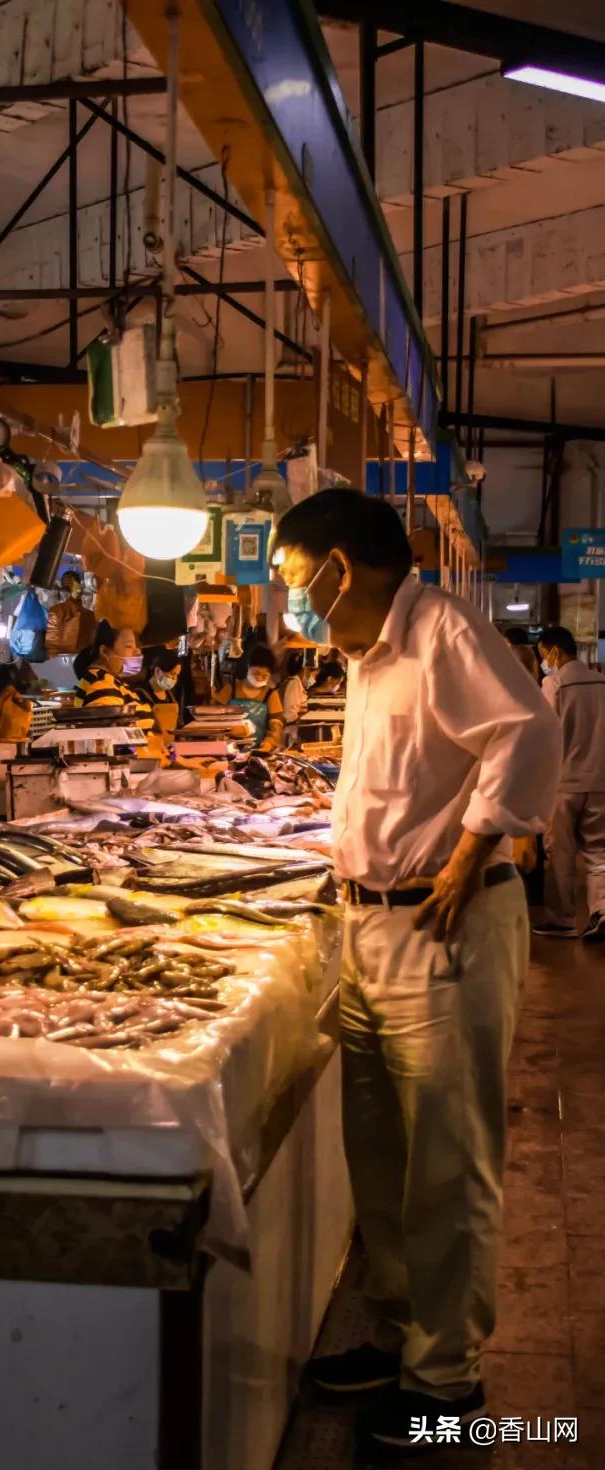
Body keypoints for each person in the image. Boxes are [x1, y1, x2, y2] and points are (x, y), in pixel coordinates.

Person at [270, 489, 561, 1453]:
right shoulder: (365, 658)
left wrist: (468, 857)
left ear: (339, 568)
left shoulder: (439, 628)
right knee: (381, 1156)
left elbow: (526, 733)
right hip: (367, 928)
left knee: (446, 1162)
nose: (290, 597)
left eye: (290, 575)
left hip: (443, 930)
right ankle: (399, 1336)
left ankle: (447, 1387)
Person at [533, 624, 605, 941]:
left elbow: (544, 735)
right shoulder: (603, 682)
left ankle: (562, 919)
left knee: (559, 852)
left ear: (556, 652)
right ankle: (602, 911)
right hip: (601, 779)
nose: (543, 662)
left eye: (543, 655)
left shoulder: (554, 685)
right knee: (600, 852)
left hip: (564, 782)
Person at [73, 622, 154, 744]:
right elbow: (113, 737)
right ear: (105, 651)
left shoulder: (113, 681)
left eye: (137, 647)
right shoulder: (100, 681)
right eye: (129, 646)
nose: (137, 652)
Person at [214, 643, 284, 751]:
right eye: (256, 673)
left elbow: (276, 727)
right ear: (248, 667)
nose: (260, 678)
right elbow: (214, 719)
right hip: (228, 749)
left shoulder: (271, 695)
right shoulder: (230, 689)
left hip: (258, 751)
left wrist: (269, 744)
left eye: (265, 676)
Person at [279, 649, 308, 725]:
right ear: (304, 669)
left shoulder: (296, 681)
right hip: (290, 727)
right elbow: (289, 714)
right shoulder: (293, 683)